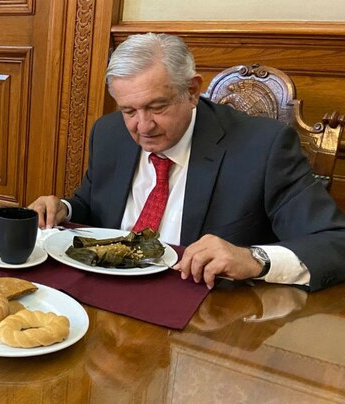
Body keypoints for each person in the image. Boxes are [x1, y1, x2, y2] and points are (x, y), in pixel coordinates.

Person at [29, 33, 345, 292]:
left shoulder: (262, 147)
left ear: (192, 91)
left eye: (157, 106)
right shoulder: (109, 133)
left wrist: (253, 258)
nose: (143, 127)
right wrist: (65, 208)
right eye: (129, 111)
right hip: (103, 288)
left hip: (203, 311)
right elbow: (93, 204)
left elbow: (334, 242)